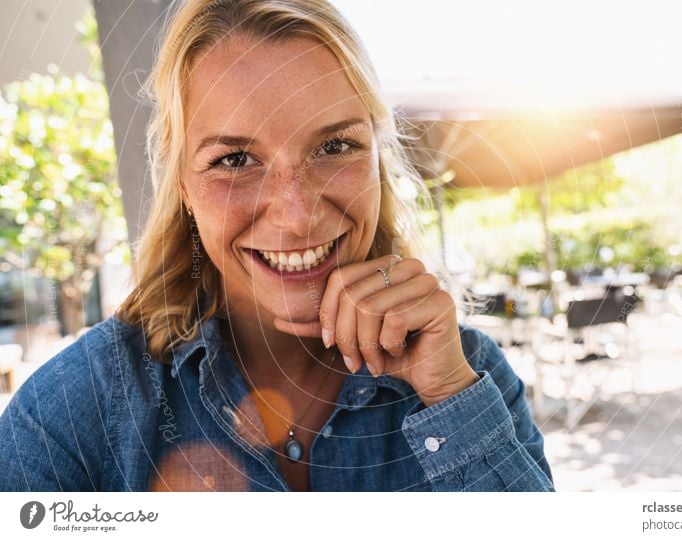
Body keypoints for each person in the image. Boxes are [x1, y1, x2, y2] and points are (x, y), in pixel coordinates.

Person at [0, 0, 554, 492]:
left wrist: (452, 398)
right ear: (184, 188)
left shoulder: (468, 374)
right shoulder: (72, 415)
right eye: (235, 160)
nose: (296, 217)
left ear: (377, 163)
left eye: (335, 145)